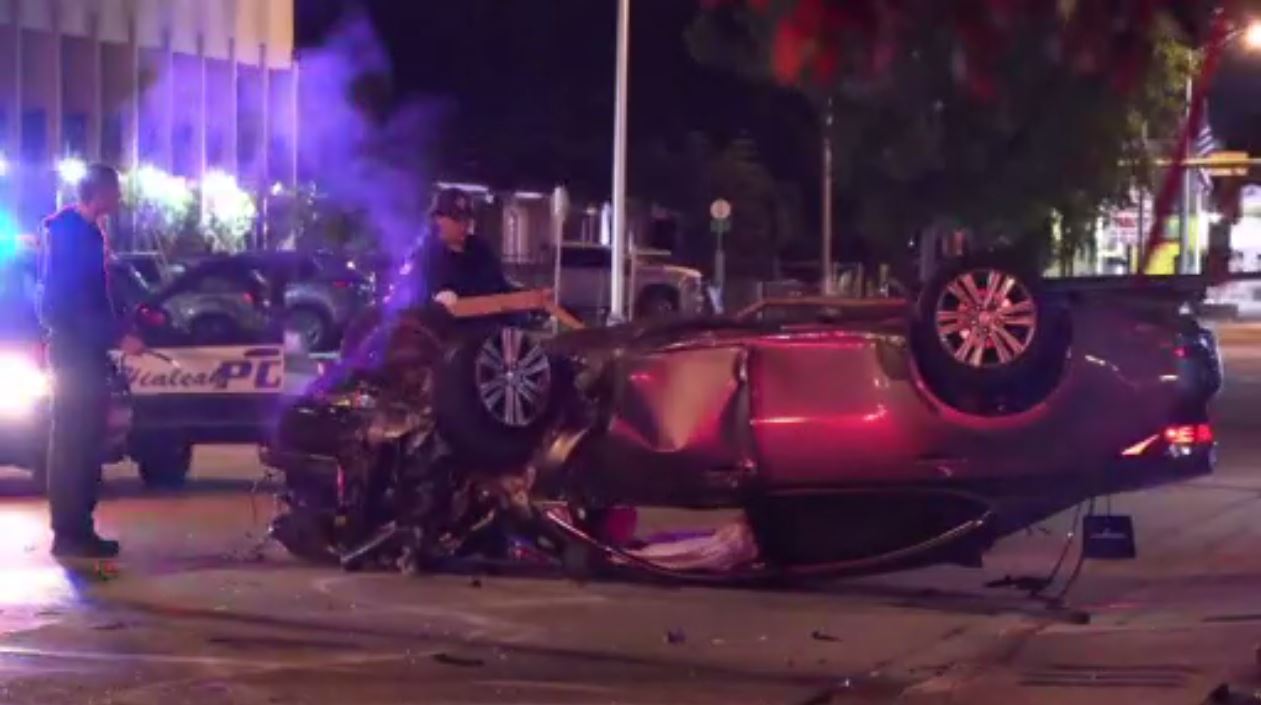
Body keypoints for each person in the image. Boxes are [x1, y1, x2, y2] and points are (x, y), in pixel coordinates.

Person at [39, 163, 145, 559]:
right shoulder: (72, 236)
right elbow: (69, 305)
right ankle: (70, 532)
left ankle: (77, 528)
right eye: (115, 191)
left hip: (82, 352)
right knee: (74, 443)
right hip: (74, 354)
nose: (119, 199)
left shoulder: (80, 232)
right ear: (99, 193)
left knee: (81, 441)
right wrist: (116, 335)